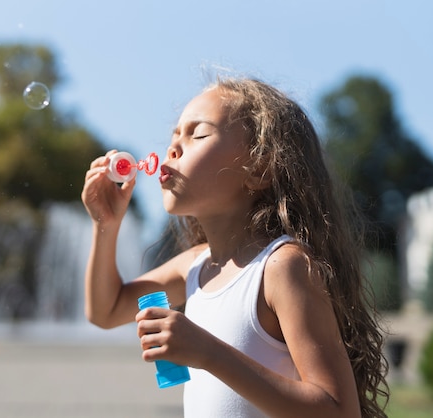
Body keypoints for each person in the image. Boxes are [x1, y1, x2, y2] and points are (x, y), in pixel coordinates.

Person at [82, 77, 389, 418]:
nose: (172, 148)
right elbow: (105, 311)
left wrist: (208, 353)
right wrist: (105, 226)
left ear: (259, 168)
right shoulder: (195, 265)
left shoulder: (281, 267)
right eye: (173, 137)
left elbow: (339, 411)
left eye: (197, 134)